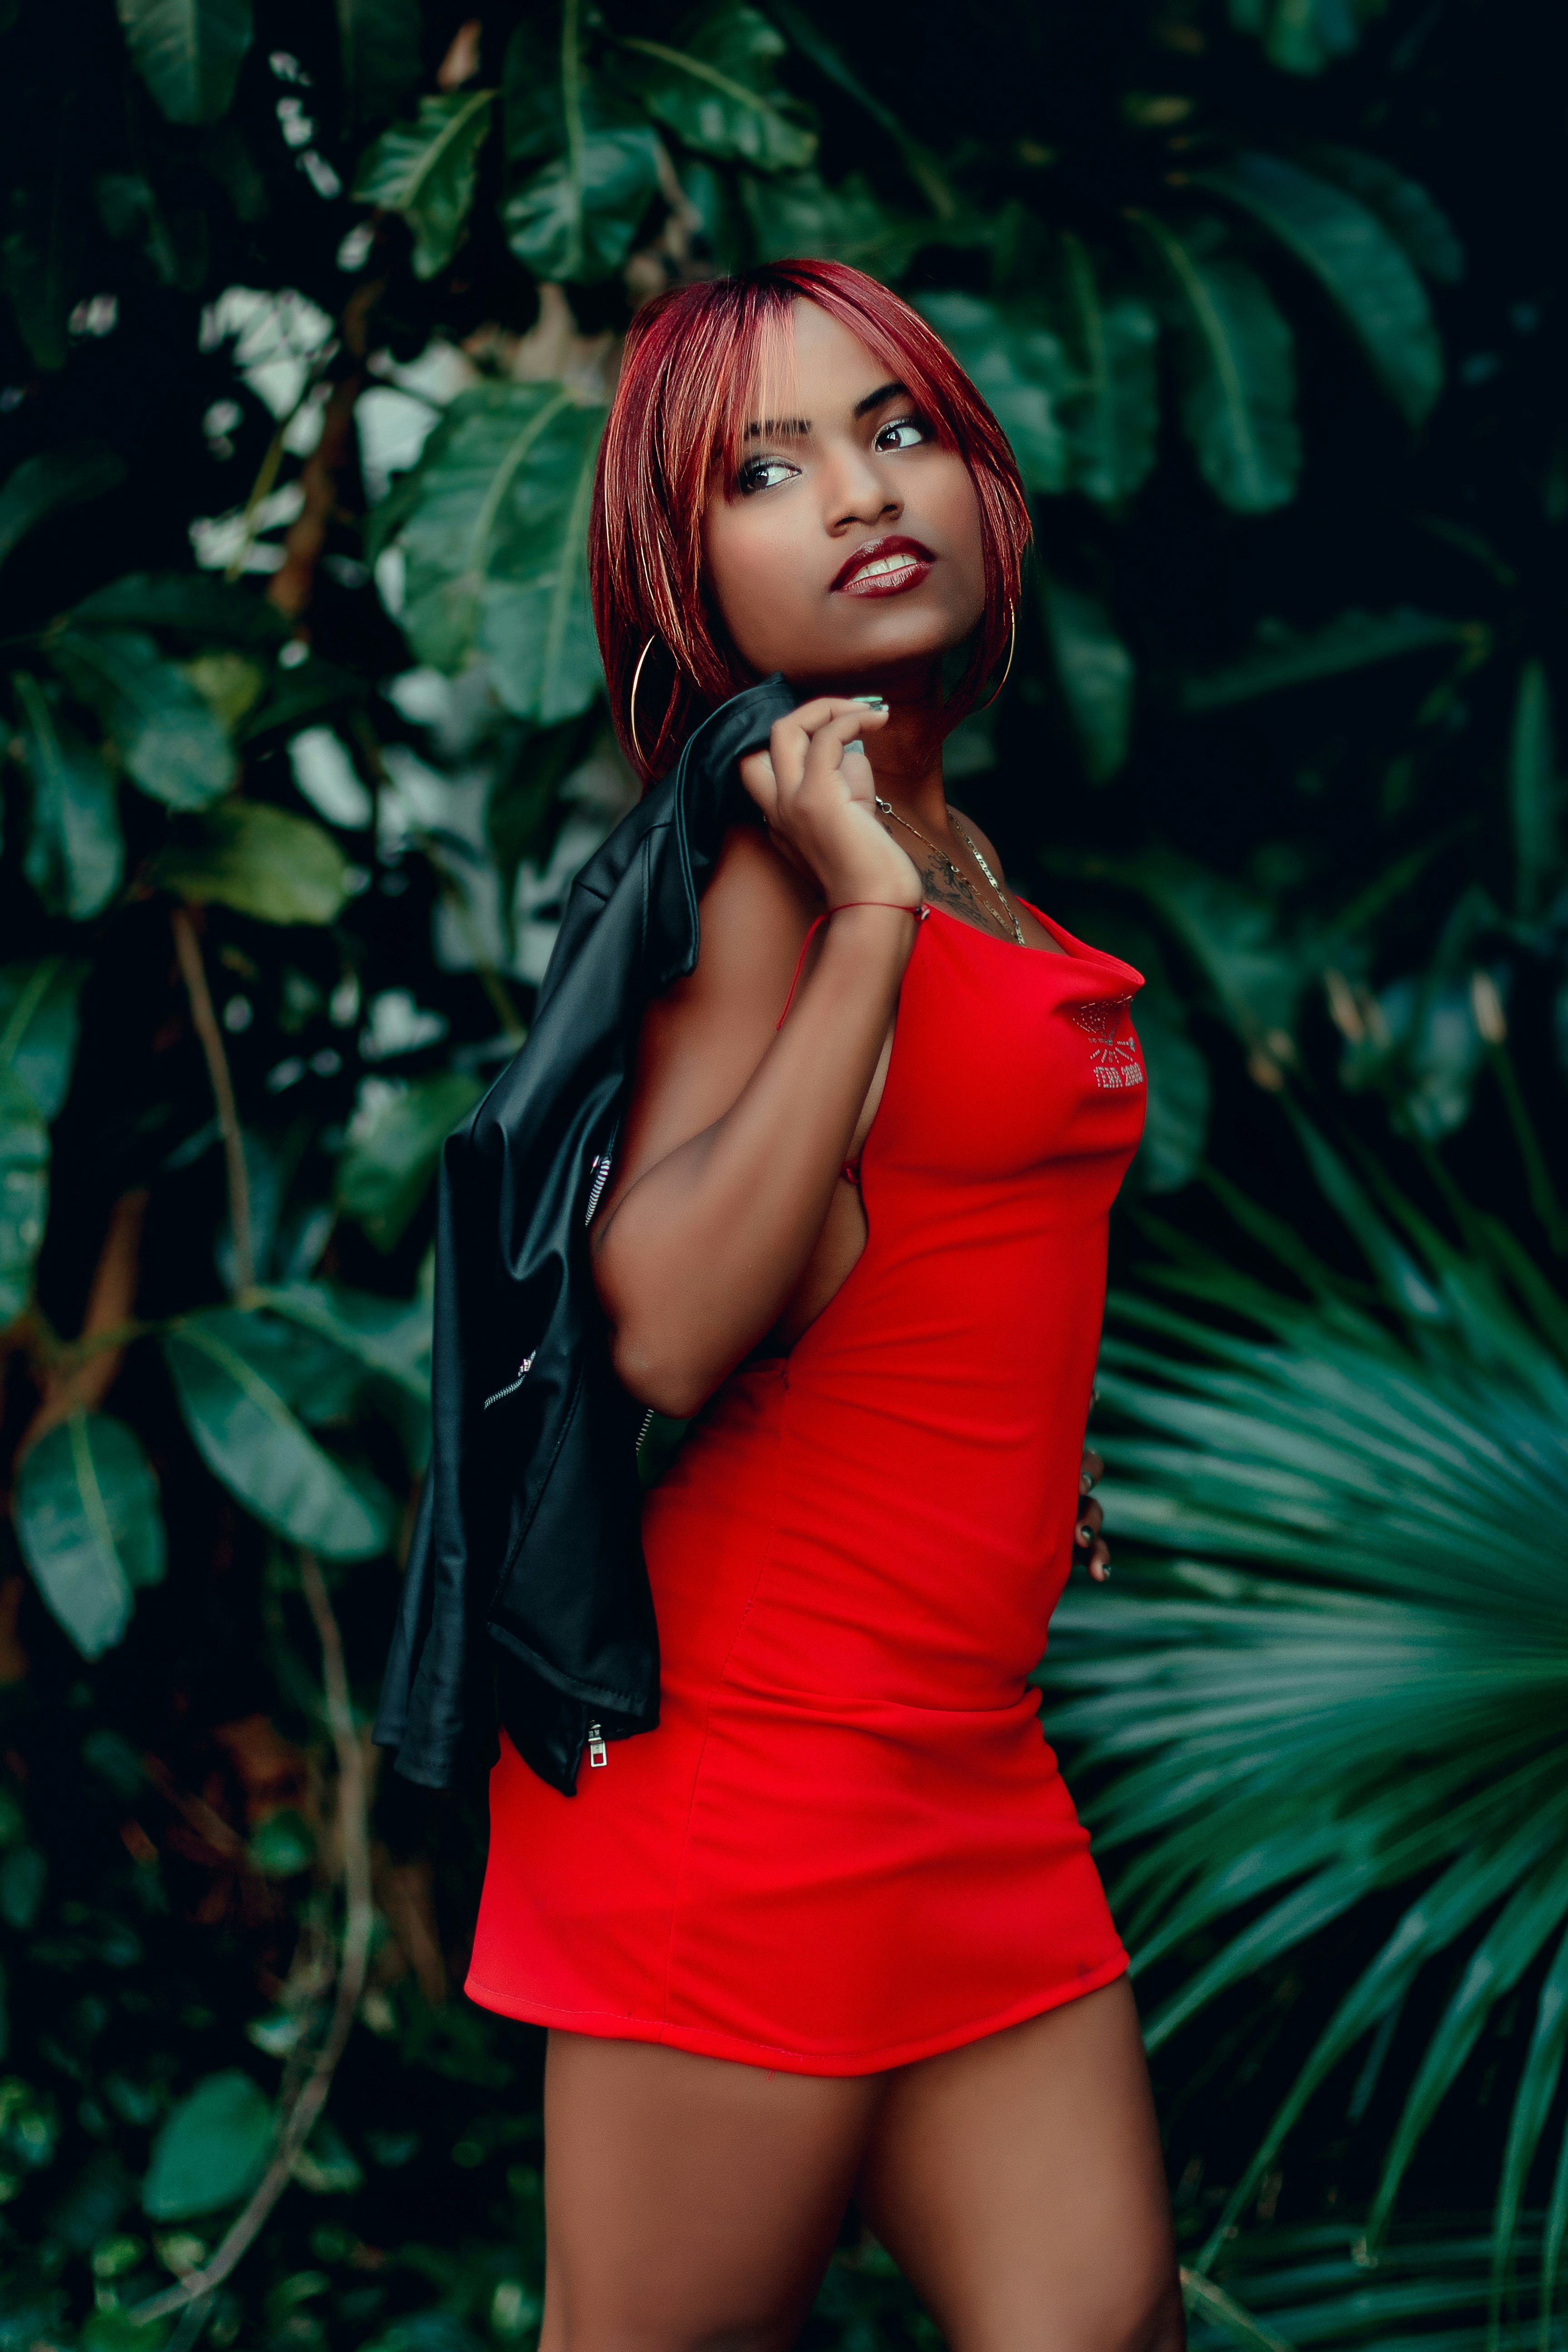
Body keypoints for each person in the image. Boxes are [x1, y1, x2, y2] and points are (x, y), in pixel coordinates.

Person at [464, 261, 1181, 2352]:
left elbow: (935, 1239)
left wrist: (1036, 1454)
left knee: (1096, 2319)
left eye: (899, 428)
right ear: (680, 578)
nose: (861, 491)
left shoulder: (936, 835)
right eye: (761, 471)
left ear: (986, 478)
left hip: (962, 1757)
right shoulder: (786, 861)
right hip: (755, 1777)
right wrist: (866, 916)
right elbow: (671, 1324)